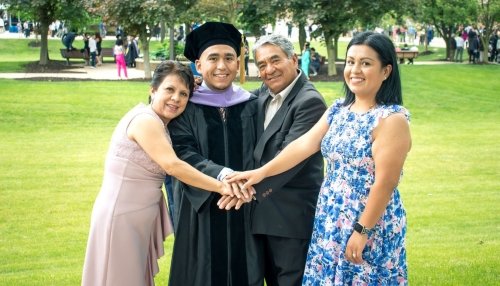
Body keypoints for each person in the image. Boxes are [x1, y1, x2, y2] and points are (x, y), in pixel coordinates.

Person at [227, 31, 412, 284]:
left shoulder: (392, 120)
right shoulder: (338, 110)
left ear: (386, 71)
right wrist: (262, 172)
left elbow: (385, 183)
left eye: (366, 63)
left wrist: (362, 230)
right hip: (330, 219)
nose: (355, 70)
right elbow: (303, 145)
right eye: (350, 62)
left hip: (368, 221)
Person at [81, 60, 236, 286]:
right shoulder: (146, 121)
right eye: (169, 90)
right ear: (153, 90)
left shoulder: (158, 122)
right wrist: (223, 186)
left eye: (184, 94)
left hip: (137, 216)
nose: (176, 99)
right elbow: (174, 166)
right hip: (122, 216)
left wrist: (198, 83)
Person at [223, 33, 327, 286]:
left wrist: (241, 191)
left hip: (290, 219)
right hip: (259, 215)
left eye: (275, 60)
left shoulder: (309, 102)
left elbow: (288, 160)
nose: (269, 70)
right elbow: (226, 107)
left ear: (293, 59)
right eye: (261, 65)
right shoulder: (260, 96)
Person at [167, 22, 258, 286]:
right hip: (202, 206)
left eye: (229, 57)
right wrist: (224, 176)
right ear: (198, 64)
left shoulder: (252, 103)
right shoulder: (185, 105)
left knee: (246, 269)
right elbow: (182, 151)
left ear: (238, 63)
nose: (222, 65)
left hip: (245, 204)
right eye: (213, 58)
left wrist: (242, 187)